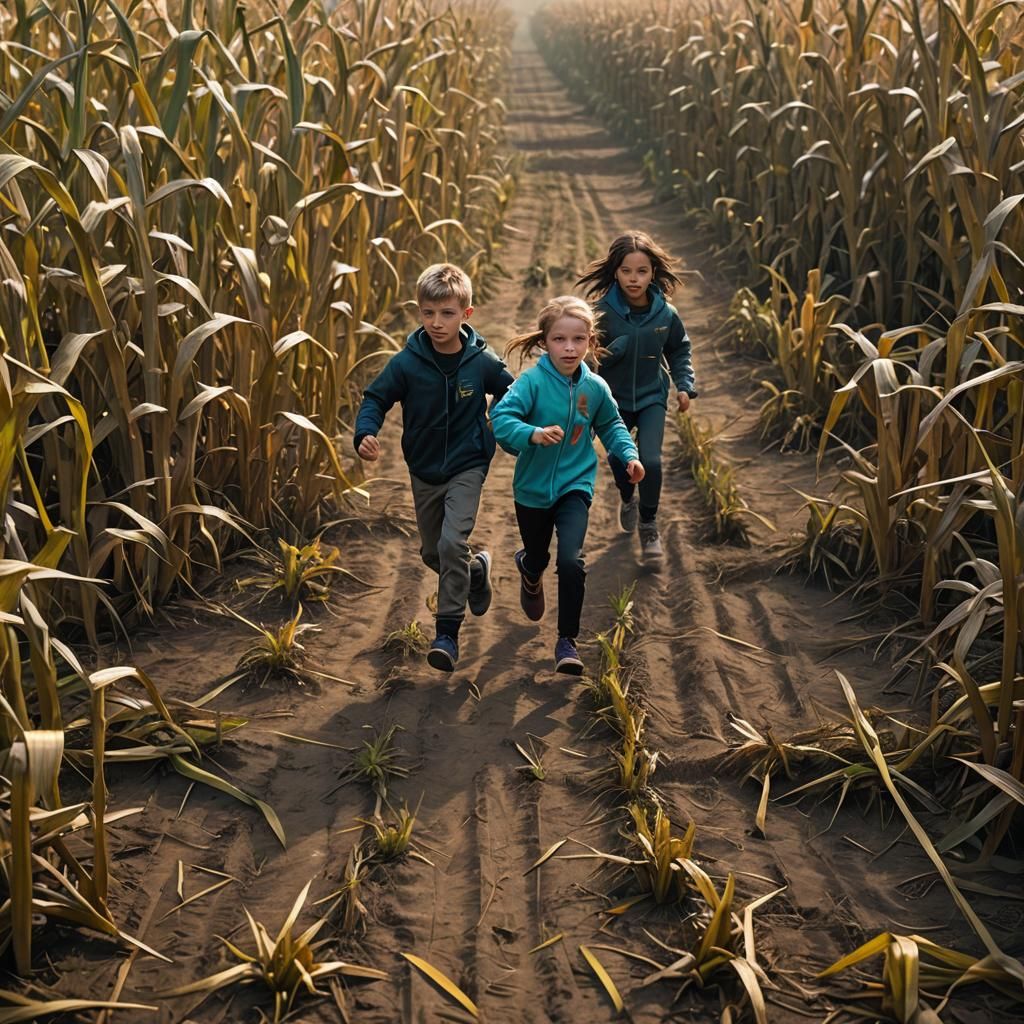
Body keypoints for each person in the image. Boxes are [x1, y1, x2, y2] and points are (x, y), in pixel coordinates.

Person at [353, 263, 514, 672]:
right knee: (432, 551)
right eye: (428, 313)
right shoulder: (407, 363)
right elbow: (376, 398)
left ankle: (447, 635)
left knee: (450, 543)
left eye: (447, 313)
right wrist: (365, 433)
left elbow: (512, 391)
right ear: (419, 311)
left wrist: (498, 423)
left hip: (468, 464)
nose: (437, 322)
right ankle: (475, 571)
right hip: (423, 468)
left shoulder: (480, 361)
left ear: (466, 314)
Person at [491, 296, 643, 675]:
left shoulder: (595, 387)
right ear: (545, 342)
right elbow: (502, 418)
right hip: (532, 490)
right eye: (560, 339)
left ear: (591, 341)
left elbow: (611, 425)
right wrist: (533, 433)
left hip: (576, 485)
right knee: (538, 556)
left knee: (571, 561)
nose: (570, 348)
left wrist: (629, 456)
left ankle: (567, 641)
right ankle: (530, 569)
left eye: (579, 339)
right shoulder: (531, 383)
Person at [577, 231, 697, 564]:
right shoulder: (600, 314)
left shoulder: (666, 314)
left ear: (653, 273)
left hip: (651, 397)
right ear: (615, 272)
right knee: (620, 461)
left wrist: (684, 385)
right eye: (626, 271)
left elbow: (679, 350)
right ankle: (628, 496)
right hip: (612, 402)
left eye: (642, 271)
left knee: (651, 461)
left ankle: (648, 522)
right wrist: (605, 357)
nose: (634, 278)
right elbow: (583, 358)